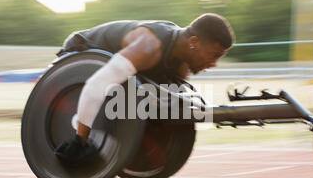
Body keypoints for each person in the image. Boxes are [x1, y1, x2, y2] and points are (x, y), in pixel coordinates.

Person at [54, 13, 235, 166]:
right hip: (80, 52)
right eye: (214, 55)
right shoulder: (148, 47)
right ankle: (80, 127)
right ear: (194, 42)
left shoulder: (179, 63)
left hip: (122, 72)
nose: (214, 64)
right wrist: (79, 142)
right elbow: (95, 86)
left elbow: (176, 107)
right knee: (118, 95)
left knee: (162, 98)